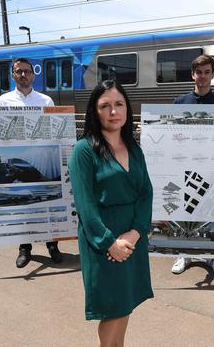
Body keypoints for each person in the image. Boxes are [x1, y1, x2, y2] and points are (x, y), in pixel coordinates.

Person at [69, 80, 153, 346]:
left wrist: (136, 232)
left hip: (132, 239)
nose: (113, 112)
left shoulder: (134, 148)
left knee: (125, 304)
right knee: (112, 308)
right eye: (105, 106)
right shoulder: (83, 150)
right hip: (103, 242)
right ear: (94, 112)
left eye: (119, 104)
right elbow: (85, 205)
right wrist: (109, 243)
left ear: (127, 109)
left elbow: (146, 193)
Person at [0, 57, 63, 268]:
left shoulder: (46, 101)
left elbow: (56, 131)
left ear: (33, 74)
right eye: (19, 71)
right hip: (20, 156)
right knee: (24, 205)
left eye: (27, 71)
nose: (23, 75)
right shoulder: (3, 101)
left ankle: (53, 246)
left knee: (48, 203)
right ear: (13, 75)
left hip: (39, 155)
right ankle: (25, 248)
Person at [171, 54, 214, 275]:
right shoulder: (179, 103)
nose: (202, 76)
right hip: (185, 166)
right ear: (192, 74)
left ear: (213, 74)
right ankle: (184, 255)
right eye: (199, 72)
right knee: (186, 211)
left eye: (207, 72)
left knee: (212, 211)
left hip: (213, 166)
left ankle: (212, 256)